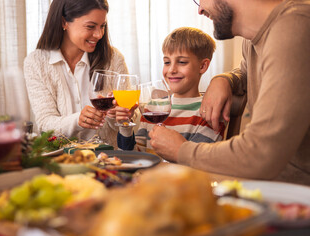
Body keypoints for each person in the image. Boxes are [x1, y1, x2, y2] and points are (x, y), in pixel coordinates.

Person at [149, 0, 310, 185]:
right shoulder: (253, 41)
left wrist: (181, 150)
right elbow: (245, 73)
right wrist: (224, 79)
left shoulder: (294, 28)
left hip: (296, 195)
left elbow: (260, 154)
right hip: (271, 187)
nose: (200, 9)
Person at [23, 0, 128, 148]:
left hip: (109, 161)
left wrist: (118, 115)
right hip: (61, 162)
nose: (99, 34)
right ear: (64, 22)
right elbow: (45, 124)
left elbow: (126, 125)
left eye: (102, 26)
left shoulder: (113, 58)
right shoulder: (36, 63)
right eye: (90, 26)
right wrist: (78, 120)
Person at [116, 27, 225, 152]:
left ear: (202, 66)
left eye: (182, 62)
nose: (172, 70)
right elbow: (135, 158)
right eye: (167, 62)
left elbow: (198, 163)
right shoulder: (151, 107)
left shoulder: (209, 111)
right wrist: (125, 125)